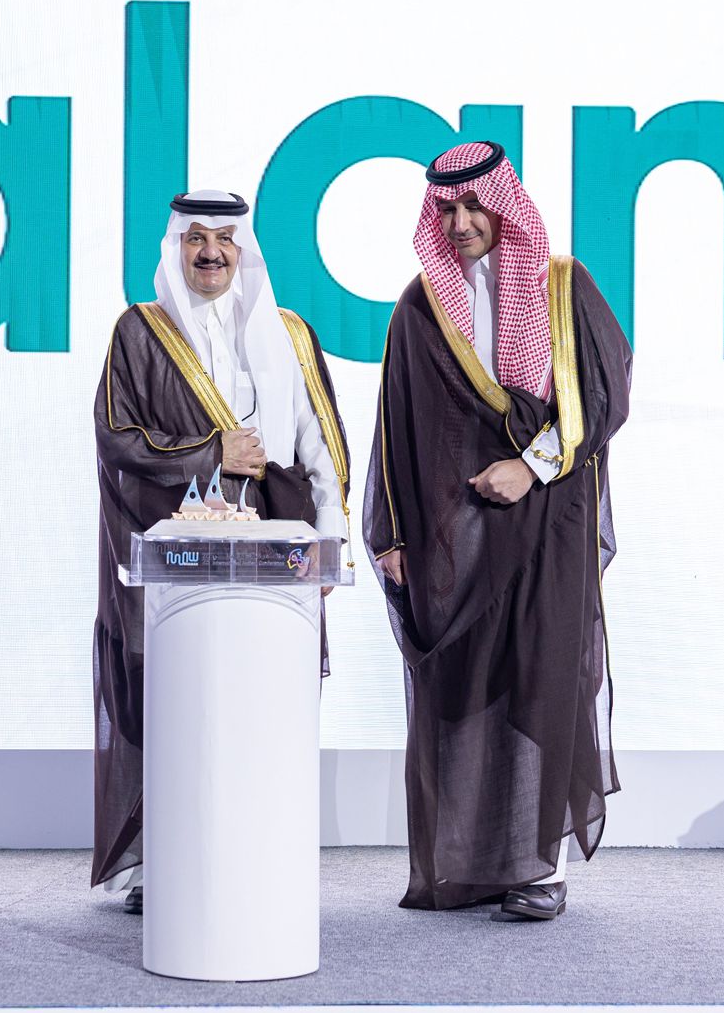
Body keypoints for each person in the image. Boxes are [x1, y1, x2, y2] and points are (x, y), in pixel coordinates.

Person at [364, 142, 632, 920]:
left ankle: (538, 868)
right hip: (458, 539)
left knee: (544, 683)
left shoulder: (563, 287)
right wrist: (390, 536)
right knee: (464, 691)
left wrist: (532, 466)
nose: (460, 223)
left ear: (503, 203)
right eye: (445, 209)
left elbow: (604, 397)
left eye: (474, 205)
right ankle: (472, 866)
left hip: (550, 523)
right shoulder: (420, 307)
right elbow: (397, 428)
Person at [92, 190, 352, 912]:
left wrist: (331, 540)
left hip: (273, 557)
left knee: (260, 700)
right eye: (195, 239)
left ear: (244, 249)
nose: (210, 252)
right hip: (175, 556)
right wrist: (212, 453)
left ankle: (257, 856)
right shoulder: (140, 332)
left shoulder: (289, 333)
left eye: (224, 239)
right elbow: (116, 437)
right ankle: (159, 863)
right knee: (173, 704)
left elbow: (319, 444)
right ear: (175, 247)